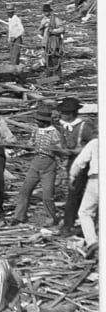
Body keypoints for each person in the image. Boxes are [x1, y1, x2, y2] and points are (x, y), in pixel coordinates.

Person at [11, 103, 63, 226]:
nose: (37, 122)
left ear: (44, 121)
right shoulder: (36, 130)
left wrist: (54, 148)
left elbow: (61, 148)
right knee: (24, 191)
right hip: (35, 164)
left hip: (49, 165)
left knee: (47, 196)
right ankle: (19, 216)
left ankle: (51, 218)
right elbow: (31, 143)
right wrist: (26, 146)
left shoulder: (54, 132)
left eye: (38, 120)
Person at [56, 97, 95, 236]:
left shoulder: (84, 127)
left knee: (74, 192)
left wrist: (79, 151)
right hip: (72, 161)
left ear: (71, 114)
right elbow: (65, 145)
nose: (61, 115)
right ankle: (77, 220)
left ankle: (69, 224)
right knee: (74, 192)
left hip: (85, 163)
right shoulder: (64, 127)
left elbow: (94, 145)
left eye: (63, 113)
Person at [69, 137, 98, 257]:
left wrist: (72, 176)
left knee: (85, 212)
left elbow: (79, 162)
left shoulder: (95, 142)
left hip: (96, 180)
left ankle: (92, 242)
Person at [37, 4, 64, 77]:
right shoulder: (43, 20)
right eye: (44, 12)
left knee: (55, 60)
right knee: (48, 61)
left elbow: (62, 29)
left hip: (54, 43)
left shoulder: (55, 19)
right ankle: (49, 77)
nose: (45, 13)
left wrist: (53, 31)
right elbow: (40, 31)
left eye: (47, 11)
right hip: (46, 43)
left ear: (50, 11)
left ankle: (58, 77)